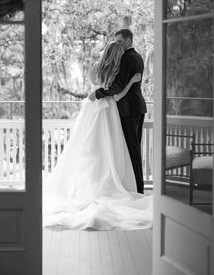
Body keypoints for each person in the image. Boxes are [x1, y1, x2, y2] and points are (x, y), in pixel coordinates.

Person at [43, 41, 152, 230]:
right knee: (109, 145)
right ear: (117, 54)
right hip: (109, 109)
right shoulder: (117, 69)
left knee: (91, 145)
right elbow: (116, 96)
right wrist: (132, 83)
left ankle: (87, 183)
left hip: (93, 107)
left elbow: (94, 85)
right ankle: (112, 180)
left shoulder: (97, 68)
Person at [89, 28, 146, 194]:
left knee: (131, 149)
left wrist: (98, 93)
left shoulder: (127, 58)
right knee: (132, 149)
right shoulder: (136, 56)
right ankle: (135, 186)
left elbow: (118, 86)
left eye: (120, 41)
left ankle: (136, 188)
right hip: (135, 107)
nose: (118, 45)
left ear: (129, 40)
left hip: (129, 109)